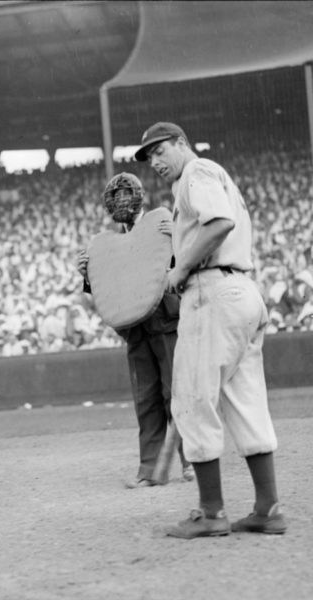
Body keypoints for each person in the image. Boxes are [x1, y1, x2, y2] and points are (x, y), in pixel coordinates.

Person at [135, 122, 286, 538]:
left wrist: (181, 267)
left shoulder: (196, 172)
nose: (156, 162)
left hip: (211, 292)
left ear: (182, 144)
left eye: (161, 150)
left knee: (191, 399)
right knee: (246, 400)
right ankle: (267, 509)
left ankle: (211, 512)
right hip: (242, 293)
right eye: (149, 158)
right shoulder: (211, 174)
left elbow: (218, 222)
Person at [77, 172, 194, 489]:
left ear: (138, 196)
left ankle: (192, 461)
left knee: (176, 395)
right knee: (146, 400)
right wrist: (88, 274)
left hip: (168, 322)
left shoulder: (161, 226)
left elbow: (184, 264)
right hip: (136, 330)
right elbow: (107, 291)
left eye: (126, 194)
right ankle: (150, 470)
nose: (121, 201)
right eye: (115, 197)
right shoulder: (107, 244)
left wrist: (177, 238)